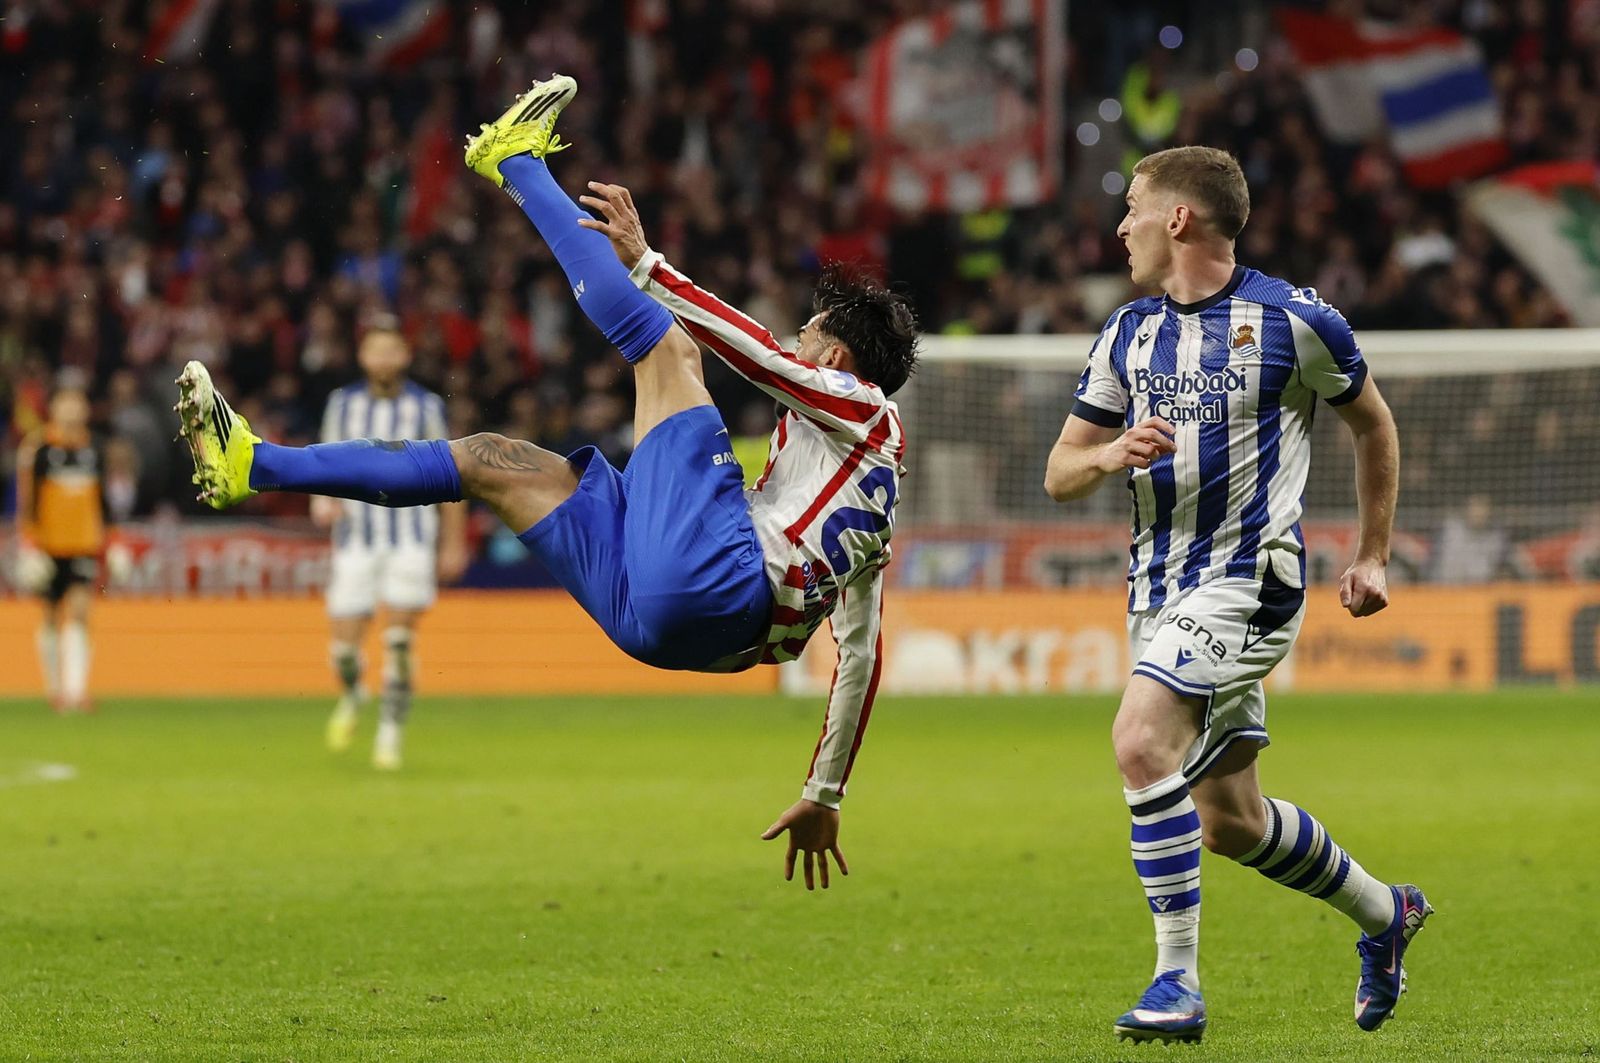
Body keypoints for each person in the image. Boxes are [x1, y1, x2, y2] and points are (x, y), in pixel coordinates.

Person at [174, 76, 917, 888]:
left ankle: (516, 161)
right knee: (492, 461)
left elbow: (762, 358)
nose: (793, 336)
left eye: (809, 331)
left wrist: (651, 267)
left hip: (716, 584)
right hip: (671, 632)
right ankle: (251, 461)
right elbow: (861, 654)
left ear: (839, 359)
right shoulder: (868, 503)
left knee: (671, 351)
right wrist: (823, 790)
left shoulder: (863, 408)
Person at [1043, 147, 1427, 1043]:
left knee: (1140, 739)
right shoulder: (1127, 333)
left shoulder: (1294, 319)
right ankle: (1387, 912)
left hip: (1254, 579)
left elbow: (1373, 422)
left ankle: (1176, 982)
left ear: (1178, 218)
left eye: (1133, 207)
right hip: (1157, 593)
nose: (1121, 226)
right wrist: (1105, 456)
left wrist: (1374, 554)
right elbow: (1060, 470)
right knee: (1232, 822)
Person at [314, 321, 468, 770]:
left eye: (391, 350)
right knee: (344, 649)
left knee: (399, 640)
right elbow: (324, 461)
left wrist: (452, 542)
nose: (383, 359)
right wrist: (322, 503)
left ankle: (389, 734)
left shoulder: (426, 407)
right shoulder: (342, 405)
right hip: (355, 540)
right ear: (363, 357)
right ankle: (354, 692)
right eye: (374, 350)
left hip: (411, 540)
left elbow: (451, 475)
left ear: (405, 356)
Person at [14, 385, 112, 712]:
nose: (72, 409)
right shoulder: (39, 450)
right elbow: (27, 504)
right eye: (65, 402)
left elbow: (104, 502)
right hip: (49, 545)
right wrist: (29, 546)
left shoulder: (94, 449)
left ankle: (76, 692)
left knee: (81, 611)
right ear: (53, 408)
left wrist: (115, 543)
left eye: (77, 402)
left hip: (84, 543)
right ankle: (55, 689)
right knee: (52, 615)